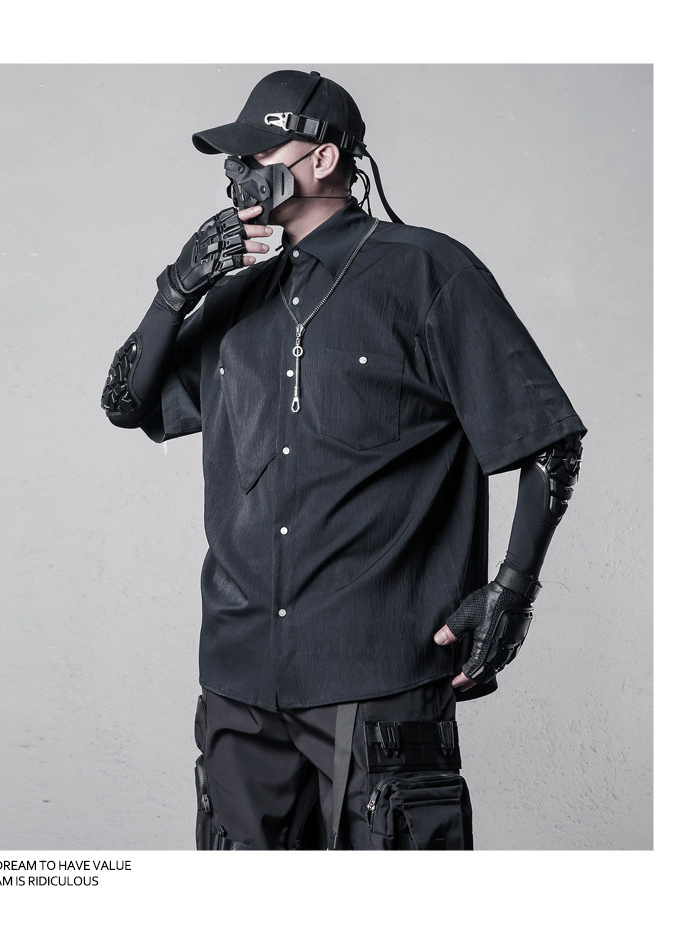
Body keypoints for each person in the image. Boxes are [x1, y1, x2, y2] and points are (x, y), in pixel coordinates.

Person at [101, 69, 586, 851]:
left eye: (259, 152)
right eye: (232, 159)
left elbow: (549, 439)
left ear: (323, 158)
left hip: (377, 675)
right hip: (238, 680)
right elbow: (126, 404)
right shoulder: (234, 297)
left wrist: (513, 592)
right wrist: (177, 287)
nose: (239, 172)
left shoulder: (427, 271)